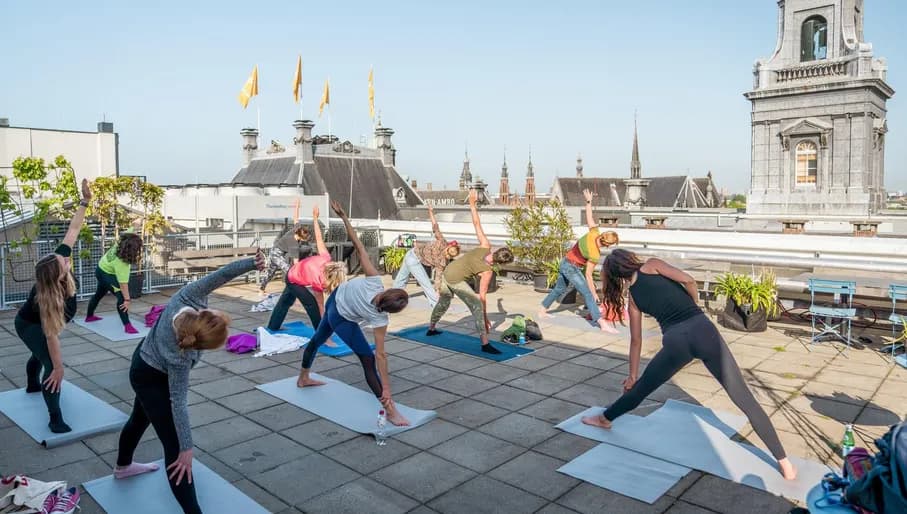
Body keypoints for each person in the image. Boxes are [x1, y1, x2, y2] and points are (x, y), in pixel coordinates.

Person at [581, 248, 797, 481]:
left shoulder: (633, 298)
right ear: (630, 259)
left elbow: (636, 340)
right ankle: (785, 464)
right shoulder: (651, 265)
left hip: (676, 343)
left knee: (642, 387)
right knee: (743, 397)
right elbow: (689, 279)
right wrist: (694, 305)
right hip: (703, 330)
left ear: (615, 275)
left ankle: (604, 419)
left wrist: (632, 375)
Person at [112, 250, 266, 513]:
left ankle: (123, 467)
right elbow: (178, 403)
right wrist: (187, 448)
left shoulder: (188, 296)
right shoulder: (182, 357)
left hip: (145, 361)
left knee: (140, 417)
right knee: (174, 447)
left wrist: (251, 263)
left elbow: (220, 275)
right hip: (148, 377)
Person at [296, 200, 411, 426]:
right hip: (341, 316)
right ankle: (390, 411)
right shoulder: (380, 318)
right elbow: (380, 356)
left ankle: (303, 377)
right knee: (367, 360)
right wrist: (386, 387)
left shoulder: (374, 280)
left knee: (317, 340)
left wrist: (344, 217)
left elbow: (358, 245)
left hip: (334, 300)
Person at [14, 179, 91, 434]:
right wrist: (59, 367)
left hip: (41, 325)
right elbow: (50, 337)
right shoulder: (48, 300)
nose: (67, 258)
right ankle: (55, 418)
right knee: (49, 363)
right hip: (28, 325)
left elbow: (74, 229)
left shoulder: (56, 267)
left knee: (39, 355)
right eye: (63, 261)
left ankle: (31, 385)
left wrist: (84, 201)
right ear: (58, 275)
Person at [427, 189, 514, 354]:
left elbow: (476, 223)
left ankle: (431, 328)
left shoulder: (485, 245)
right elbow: (482, 298)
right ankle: (485, 344)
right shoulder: (487, 271)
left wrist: (472, 204)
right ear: (501, 264)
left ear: (497, 251)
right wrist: (485, 316)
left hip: (447, 272)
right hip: (455, 280)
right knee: (477, 306)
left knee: (444, 302)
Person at [538, 188, 620, 333]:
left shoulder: (594, 233)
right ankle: (602, 324)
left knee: (559, 289)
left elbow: (588, 216)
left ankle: (542, 310)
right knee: (587, 293)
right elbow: (588, 275)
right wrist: (594, 294)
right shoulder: (595, 253)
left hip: (565, 262)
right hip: (572, 267)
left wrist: (588, 202)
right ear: (608, 244)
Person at [267, 205, 347, 332]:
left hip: (295, 273)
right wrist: (325, 334)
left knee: (286, 301)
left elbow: (319, 238)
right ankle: (320, 335)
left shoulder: (327, 258)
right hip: (293, 277)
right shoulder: (318, 280)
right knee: (312, 305)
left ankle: (272, 326)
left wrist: (315, 218)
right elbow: (320, 306)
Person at [392, 204, 460, 307]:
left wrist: (430, 212)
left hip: (411, 253)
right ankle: (435, 304)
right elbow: (438, 278)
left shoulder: (442, 241)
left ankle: (392, 298)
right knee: (426, 284)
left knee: (400, 280)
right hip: (414, 260)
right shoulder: (442, 261)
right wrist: (437, 291)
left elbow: (435, 226)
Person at [85, 228, 143, 334]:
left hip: (100, 268)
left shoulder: (122, 242)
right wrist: (127, 300)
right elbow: (123, 284)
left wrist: (136, 223)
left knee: (99, 294)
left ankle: (89, 316)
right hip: (105, 274)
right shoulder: (122, 264)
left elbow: (131, 229)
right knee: (121, 297)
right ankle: (127, 326)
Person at [259, 222, 313, 294]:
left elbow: (296, 220)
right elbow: (296, 263)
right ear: (302, 238)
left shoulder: (295, 230)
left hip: (274, 250)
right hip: (276, 254)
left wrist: (296, 210)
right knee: (288, 270)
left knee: (270, 273)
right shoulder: (295, 246)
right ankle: (295, 290)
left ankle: (261, 288)